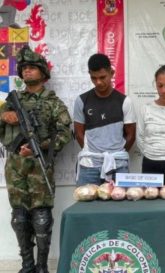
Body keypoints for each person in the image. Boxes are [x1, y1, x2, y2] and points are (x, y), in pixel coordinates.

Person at [0, 45, 72, 273]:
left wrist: (39, 147)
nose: (27, 72)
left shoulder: (53, 103)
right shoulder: (12, 101)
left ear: (43, 73)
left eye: (32, 68)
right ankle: (27, 266)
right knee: (19, 218)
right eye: (24, 69)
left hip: (40, 166)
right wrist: (5, 115)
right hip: (15, 167)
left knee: (41, 217)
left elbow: (65, 132)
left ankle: (42, 267)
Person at [73, 53, 136, 186]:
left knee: (121, 205)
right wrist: (92, 153)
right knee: (86, 205)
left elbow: (131, 135)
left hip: (118, 165)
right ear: (89, 74)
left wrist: (116, 154)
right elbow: (78, 133)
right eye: (93, 78)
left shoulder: (125, 101)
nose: (98, 82)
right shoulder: (81, 100)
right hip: (89, 166)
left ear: (112, 73)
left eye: (102, 77)